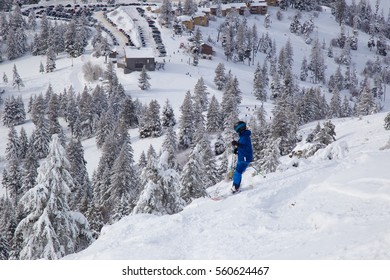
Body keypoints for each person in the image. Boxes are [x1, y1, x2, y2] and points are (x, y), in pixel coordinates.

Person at [231, 121, 253, 194]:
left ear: (240, 129)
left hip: (244, 158)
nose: (237, 132)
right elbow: (243, 146)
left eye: (237, 130)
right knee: (238, 172)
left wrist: (238, 145)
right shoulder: (243, 136)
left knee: (238, 172)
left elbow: (246, 148)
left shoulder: (245, 137)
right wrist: (237, 149)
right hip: (243, 157)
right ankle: (236, 186)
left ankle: (236, 187)